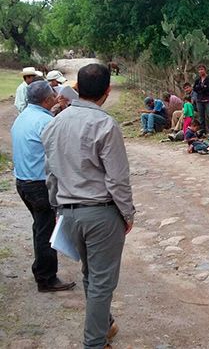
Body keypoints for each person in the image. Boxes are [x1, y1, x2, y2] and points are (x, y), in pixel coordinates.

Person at [42, 63, 135, 348]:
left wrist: (58, 209)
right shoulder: (105, 124)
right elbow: (118, 179)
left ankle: (104, 325)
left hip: (69, 212)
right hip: (100, 212)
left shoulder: (54, 123)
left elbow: (51, 174)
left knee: (91, 275)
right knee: (102, 282)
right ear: (107, 91)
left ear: (78, 89)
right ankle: (94, 342)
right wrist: (128, 214)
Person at [11, 81, 76, 293]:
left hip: (23, 181)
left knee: (40, 226)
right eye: (53, 97)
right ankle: (46, 278)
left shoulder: (23, 117)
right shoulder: (44, 121)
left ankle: (40, 269)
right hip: (38, 184)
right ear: (47, 100)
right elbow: (61, 150)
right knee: (47, 230)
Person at [193, 64, 209, 135]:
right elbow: (194, 88)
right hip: (199, 100)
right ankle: (202, 132)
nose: (200, 71)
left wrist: (201, 88)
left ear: (205, 70)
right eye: (199, 70)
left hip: (208, 100)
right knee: (201, 117)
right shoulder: (197, 80)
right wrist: (202, 87)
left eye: (202, 69)